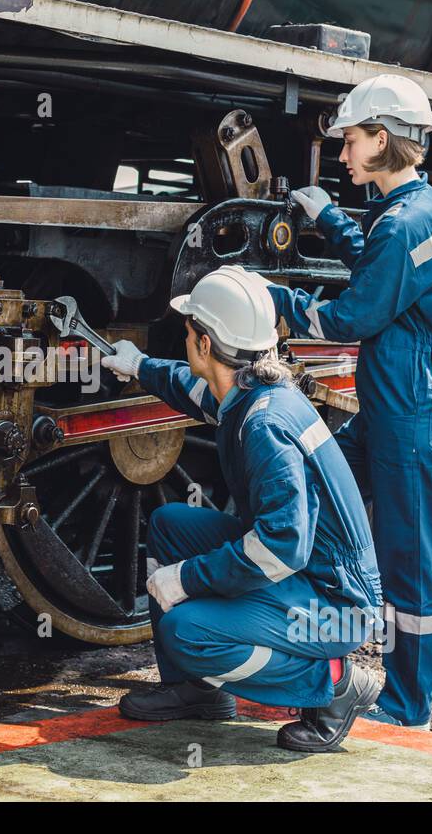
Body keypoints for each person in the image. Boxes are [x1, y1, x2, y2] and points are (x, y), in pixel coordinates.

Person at [101, 266, 383, 752]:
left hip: (336, 603)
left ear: (206, 346)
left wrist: (186, 579)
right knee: (171, 525)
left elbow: (282, 546)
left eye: (189, 331)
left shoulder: (264, 426)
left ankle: (334, 682)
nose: (185, 338)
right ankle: (197, 691)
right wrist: (139, 365)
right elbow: (192, 390)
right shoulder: (249, 390)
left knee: (186, 630)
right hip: (310, 575)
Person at [267, 74, 432, 729]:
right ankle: (338, 639)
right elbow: (383, 266)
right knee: (325, 493)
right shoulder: (419, 206)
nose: (344, 154)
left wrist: (270, 302)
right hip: (398, 402)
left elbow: (354, 314)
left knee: (411, 559)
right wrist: (327, 216)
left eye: (350, 142)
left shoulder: (404, 221)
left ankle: (409, 704)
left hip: (408, 414)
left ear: (382, 139)